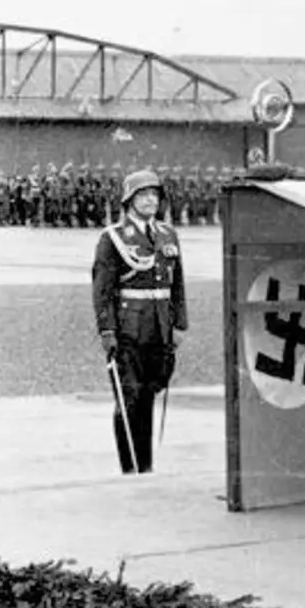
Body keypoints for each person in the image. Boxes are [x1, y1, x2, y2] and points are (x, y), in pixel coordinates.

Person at [91, 170, 187, 474]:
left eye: (155, 195)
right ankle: (130, 468)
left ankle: (145, 467)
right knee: (128, 398)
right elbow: (102, 290)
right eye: (143, 195)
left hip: (160, 328)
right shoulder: (113, 238)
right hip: (128, 328)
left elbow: (178, 284)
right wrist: (107, 331)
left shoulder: (168, 235)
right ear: (129, 200)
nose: (150, 200)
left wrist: (180, 323)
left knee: (149, 395)